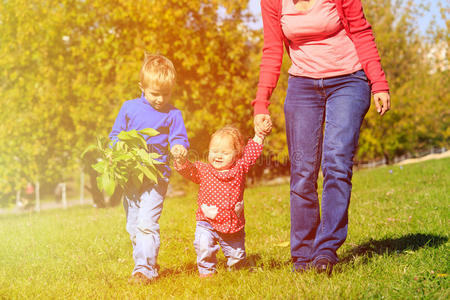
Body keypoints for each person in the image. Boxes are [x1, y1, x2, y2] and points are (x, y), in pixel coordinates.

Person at [253, 0, 391, 275]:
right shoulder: (272, 2)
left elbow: (362, 32)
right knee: (303, 171)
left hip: (349, 80)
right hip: (303, 85)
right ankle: (303, 255)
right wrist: (261, 102)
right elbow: (272, 50)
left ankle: (326, 250)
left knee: (336, 162)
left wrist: (378, 82)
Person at [109, 53, 189, 284]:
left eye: (166, 94)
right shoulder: (129, 108)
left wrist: (179, 147)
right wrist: (115, 152)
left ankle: (144, 270)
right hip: (131, 178)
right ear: (141, 87)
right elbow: (115, 135)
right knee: (133, 226)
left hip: (156, 177)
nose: (160, 99)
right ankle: (146, 262)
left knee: (146, 223)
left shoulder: (173, 114)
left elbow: (179, 138)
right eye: (155, 94)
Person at [174, 126, 266, 277]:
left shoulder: (239, 168)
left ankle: (237, 272)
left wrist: (259, 135)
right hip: (206, 222)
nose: (218, 156)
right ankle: (207, 272)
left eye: (225, 153)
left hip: (232, 224)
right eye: (214, 151)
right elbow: (189, 170)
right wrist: (181, 160)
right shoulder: (204, 170)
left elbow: (251, 153)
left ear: (236, 155)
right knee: (203, 247)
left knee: (237, 257)